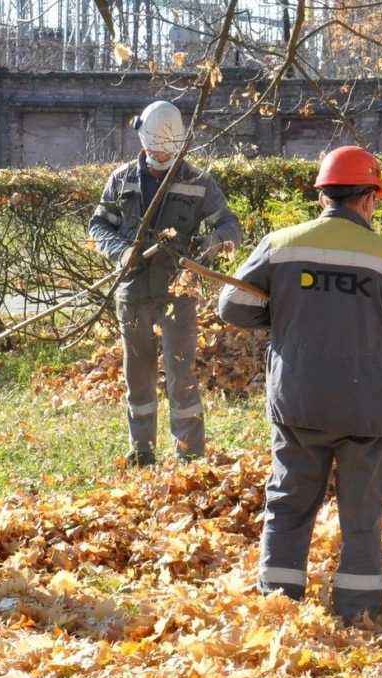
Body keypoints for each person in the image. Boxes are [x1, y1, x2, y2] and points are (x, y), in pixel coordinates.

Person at [217, 146, 382, 623]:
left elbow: (233, 307)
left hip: (298, 399)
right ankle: (357, 615)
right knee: (361, 515)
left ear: (323, 195)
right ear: (368, 199)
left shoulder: (282, 245)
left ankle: (278, 609)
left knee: (288, 505)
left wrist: (286, 312)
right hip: (366, 407)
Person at [90, 100, 243, 465]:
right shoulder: (121, 179)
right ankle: (142, 453)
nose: (157, 154)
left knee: (181, 378)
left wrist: (210, 246)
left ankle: (190, 457)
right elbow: (98, 226)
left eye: (164, 149)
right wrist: (120, 252)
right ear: (142, 138)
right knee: (139, 380)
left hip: (178, 296)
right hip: (132, 295)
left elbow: (229, 226)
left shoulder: (198, 181)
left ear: (178, 144)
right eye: (152, 146)